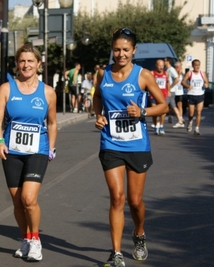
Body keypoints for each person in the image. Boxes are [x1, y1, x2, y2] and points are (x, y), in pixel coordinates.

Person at [93, 28, 168, 267]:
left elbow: (164, 105)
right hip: (111, 142)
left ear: (133, 50)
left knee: (135, 202)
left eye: (126, 50)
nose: (121, 54)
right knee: (117, 198)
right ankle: (116, 254)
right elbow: (97, 97)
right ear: (112, 50)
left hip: (137, 145)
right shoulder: (102, 73)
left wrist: (143, 112)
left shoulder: (143, 75)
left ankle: (139, 233)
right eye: (116, 49)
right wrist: (99, 115)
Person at [0, 44, 57, 262]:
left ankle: (36, 241)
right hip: (12, 151)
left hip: (37, 150)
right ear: (17, 64)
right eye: (22, 61)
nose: (26, 65)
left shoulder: (48, 92)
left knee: (29, 198)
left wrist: (51, 148)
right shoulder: (6, 89)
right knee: (18, 201)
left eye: (30, 61)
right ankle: (25, 239)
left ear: (39, 64)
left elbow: (53, 123)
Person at [181, 59, 209, 135]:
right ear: (193, 66)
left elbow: (207, 82)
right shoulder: (189, 73)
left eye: (198, 65)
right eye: (195, 65)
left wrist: (206, 85)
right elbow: (182, 82)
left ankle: (197, 129)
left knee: (199, 112)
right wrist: (187, 86)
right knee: (191, 114)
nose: (197, 66)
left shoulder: (202, 73)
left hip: (200, 95)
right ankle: (190, 121)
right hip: (191, 95)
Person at [164, 57, 185, 128]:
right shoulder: (168, 69)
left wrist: (170, 87)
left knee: (163, 105)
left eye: (165, 60)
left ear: (168, 61)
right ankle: (180, 121)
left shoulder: (171, 69)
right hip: (171, 91)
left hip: (171, 91)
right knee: (174, 106)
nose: (164, 61)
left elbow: (177, 79)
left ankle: (158, 123)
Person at [150, 59, 169, 135]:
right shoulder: (152, 73)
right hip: (153, 95)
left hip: (163, 95)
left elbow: (167, 83)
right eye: (159, 65)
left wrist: (169, 91)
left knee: (163, 112)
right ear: (156, 65)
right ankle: (155, 126)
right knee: (154, 112)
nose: (161, 67)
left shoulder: (166, 73)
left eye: (162, 65)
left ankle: (161, 126)